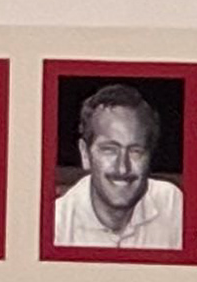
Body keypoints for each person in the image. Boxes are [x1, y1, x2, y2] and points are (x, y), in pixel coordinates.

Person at [54, 82, 185, 250]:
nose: (123, 167)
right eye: (109, 150)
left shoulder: (172, 205)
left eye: (135, 151)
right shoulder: (56, 225)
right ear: (85, 154)